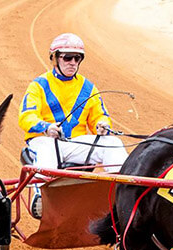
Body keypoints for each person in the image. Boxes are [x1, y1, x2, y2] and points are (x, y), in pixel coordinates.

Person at [18, 33, 128, 174]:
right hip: (44, 141)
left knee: (113, 143)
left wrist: (102, 125)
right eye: (68, 57)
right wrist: (46, 127)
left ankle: (120, 191)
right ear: (55, 58)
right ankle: (41, 195)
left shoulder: (88, 88)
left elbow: (100, 116)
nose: (73, 62)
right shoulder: (38, 85)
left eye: (77, 58)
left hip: (76, 144)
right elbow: (26, 116)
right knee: (48, 148)